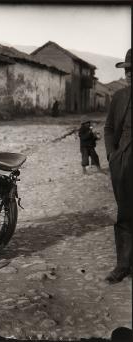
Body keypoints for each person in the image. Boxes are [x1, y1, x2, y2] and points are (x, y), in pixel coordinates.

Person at [104, 48, 132, 284]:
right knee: (125, 213)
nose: (129, 74)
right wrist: (112, 156)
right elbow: (110, 128)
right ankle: (123, 264)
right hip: (123, 163)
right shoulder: (120, 97)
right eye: (127, 70)